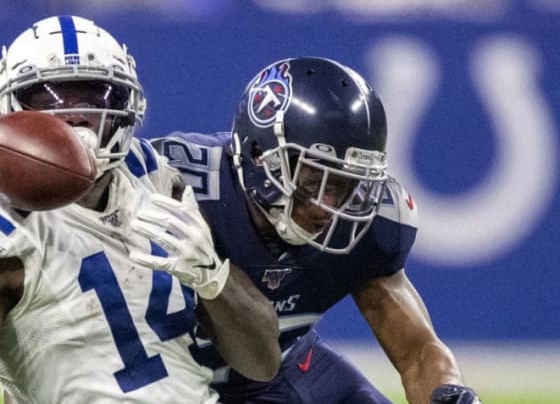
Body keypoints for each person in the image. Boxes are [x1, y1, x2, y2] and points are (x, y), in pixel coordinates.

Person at [0, 15, 280, 404]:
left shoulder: (156, 178)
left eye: (96, 100)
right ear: (13, 113)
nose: (76, 118)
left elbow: (262, 363)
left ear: (126, 107)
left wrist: (212, 278)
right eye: (51, 101)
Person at [151, 57, 482, 404]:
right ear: (260, 155)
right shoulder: (169, 180)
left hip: (286, 371)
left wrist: (448, 391)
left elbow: (418, 352)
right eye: (315, 178)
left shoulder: (374, 221)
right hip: (167, 382)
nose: (332, 204)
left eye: (348, 184)